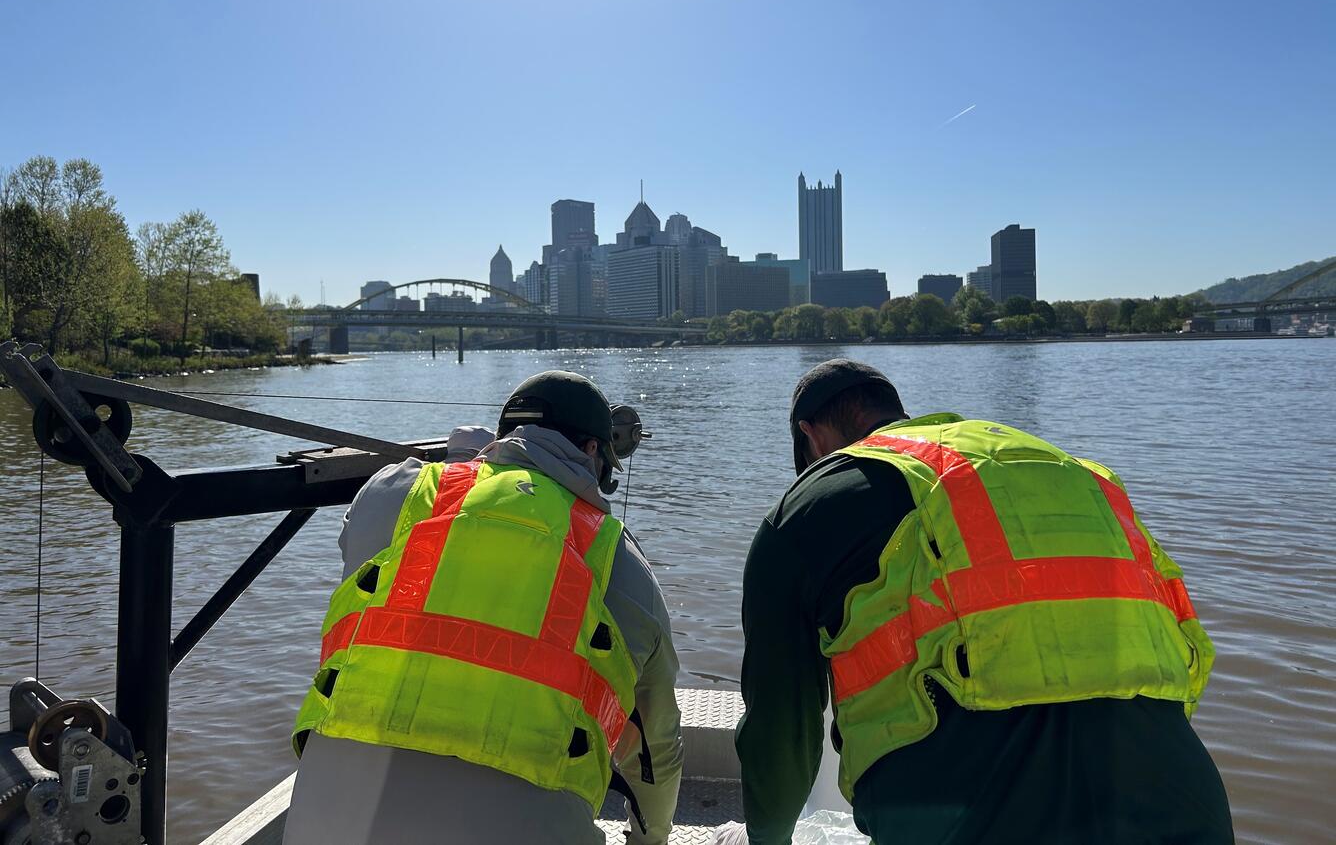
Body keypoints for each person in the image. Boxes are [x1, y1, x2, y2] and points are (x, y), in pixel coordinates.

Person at [734, 359, 1233, 844]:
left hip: (965, 818)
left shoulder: (806, 507)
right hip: (1182, 801)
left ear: (811, 435)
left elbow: (781, 732)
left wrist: (768, 838)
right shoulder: (1065, 467)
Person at [285, 371, 684, 845]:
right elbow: (655, 749)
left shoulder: (391, 492)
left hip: (324, 828)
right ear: (593, 452)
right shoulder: (624, 566)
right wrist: (650, 839)